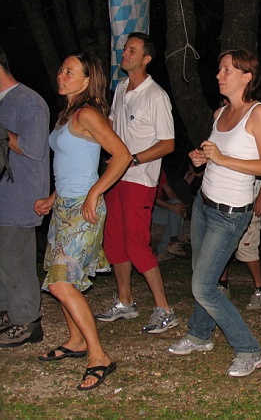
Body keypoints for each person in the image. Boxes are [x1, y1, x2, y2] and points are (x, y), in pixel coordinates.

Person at [168, 48, 261, 378]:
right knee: (204, 276)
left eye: (227, 69)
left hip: (231, 214)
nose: (219, 74)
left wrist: (221, 158)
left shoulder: (258, 114)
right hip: (204, 204)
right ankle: (200, 334)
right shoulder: (220, 113)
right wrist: (201, 158)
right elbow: (215, 155)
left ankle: (249, 350)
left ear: (247, 76)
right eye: (219, 69)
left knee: (203, 286)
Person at [33, 52, 131, 390]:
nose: (61, 75)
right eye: (61, 69)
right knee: (61, 278)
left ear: (88, 80)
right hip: (64, 206)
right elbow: (71, 164)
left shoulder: (88, 114)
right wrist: (53, 197)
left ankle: (99, 356)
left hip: (83, 209)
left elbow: (122, 156)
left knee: (60, 282)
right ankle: (75, 340)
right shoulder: (68, 114)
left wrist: (94, 193)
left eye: (70, 72)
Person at [96, 32, 179, 334]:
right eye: (125, 48)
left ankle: (165, 310)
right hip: (115, 177)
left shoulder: (155, 95)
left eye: (132, 50)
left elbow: (168, 143)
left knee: (136, 243)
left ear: (146, 58)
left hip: (140, 179)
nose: (125, 53)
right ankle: (125, 302)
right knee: (114, 240)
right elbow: (113, 127)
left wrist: (132, 159)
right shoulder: (120, 88)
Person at [0, 45, 50, 347]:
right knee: (3, 259)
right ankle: (8, 313)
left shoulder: (29, 102)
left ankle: (28, 321)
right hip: (4, 194)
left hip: (22, 195)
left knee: (15, 259)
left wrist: (3, 133)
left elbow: (33, 148)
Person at [218, 177, 261, 310]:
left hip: (250, 198)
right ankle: (222, 285)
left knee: (247, 247)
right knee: (222, 244)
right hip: (225, 198)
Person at [152, 167, 188, 262]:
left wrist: (179, 206)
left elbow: (169, 191)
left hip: (158, 207)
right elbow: (150, 197)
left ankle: (166, 248)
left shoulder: (160, 172)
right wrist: (170, 206)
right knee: (176, 217)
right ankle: (171, 243)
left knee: (176, 210)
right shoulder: (147, 170)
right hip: (147, 208)